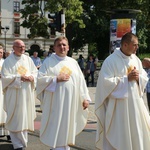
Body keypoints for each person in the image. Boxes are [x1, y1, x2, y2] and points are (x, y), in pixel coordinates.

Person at [95, 32, 150, 150]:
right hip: (119, 108)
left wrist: (138, 77)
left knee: (138, 133)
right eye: (134, 45)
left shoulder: (135, 59)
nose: (137, 47)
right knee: (121, 136)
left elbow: (144, 77)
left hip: (135, 106)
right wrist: (126, 79)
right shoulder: (110, 61)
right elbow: (105, 83)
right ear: (125, 45)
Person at [36, 36, 91, 150]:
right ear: (54, 48)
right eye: (59, 45)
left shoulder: (73, 62)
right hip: (55, 102)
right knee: (57, 125)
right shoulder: (49, 62)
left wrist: (85, 98)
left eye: (64, 45)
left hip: (71, 102)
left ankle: (64, 146)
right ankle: (57, 147)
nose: (62, 47)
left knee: (68, 125)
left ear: (68, 47)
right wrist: (56, 79)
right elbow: (40, 80)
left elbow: (81, 81)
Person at [1, 39, 38, 150]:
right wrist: (19, 77)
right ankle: (17, 144)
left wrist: (32, 77)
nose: (22, 48)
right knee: (15, 118)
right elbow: (5, 77)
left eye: (23, 46)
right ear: (14, 48)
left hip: (26, 94)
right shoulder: (8, 61)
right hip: (14, 95)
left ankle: (23, 142)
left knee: (25, 117)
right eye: (19, 47)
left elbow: (35, 72)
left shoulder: (28, 59)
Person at [0, 46, 10, 140]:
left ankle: (8, 132)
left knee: (6, 108)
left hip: (4, 87)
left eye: (1, 52)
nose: (0, 54)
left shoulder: (5, 62)